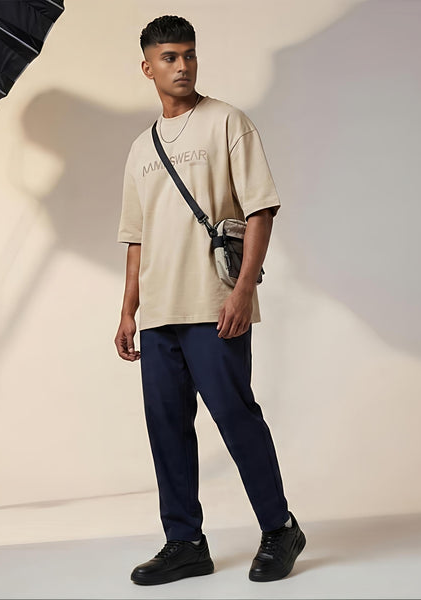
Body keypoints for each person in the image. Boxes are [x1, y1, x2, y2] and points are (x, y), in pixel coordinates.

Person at [114, 15, 306, 585]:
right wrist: (128, 310)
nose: (183, 66)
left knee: (235, 416)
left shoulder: (227, 122)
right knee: (166, 426)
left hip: (215, 304)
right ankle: (185, 542)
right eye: (169, 58)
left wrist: (244, 289)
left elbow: (260, 209)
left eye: (189, 55)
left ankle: (280, 529)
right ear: (147, 67)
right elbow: (137, 237)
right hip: (159, 313)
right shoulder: (141, 147)